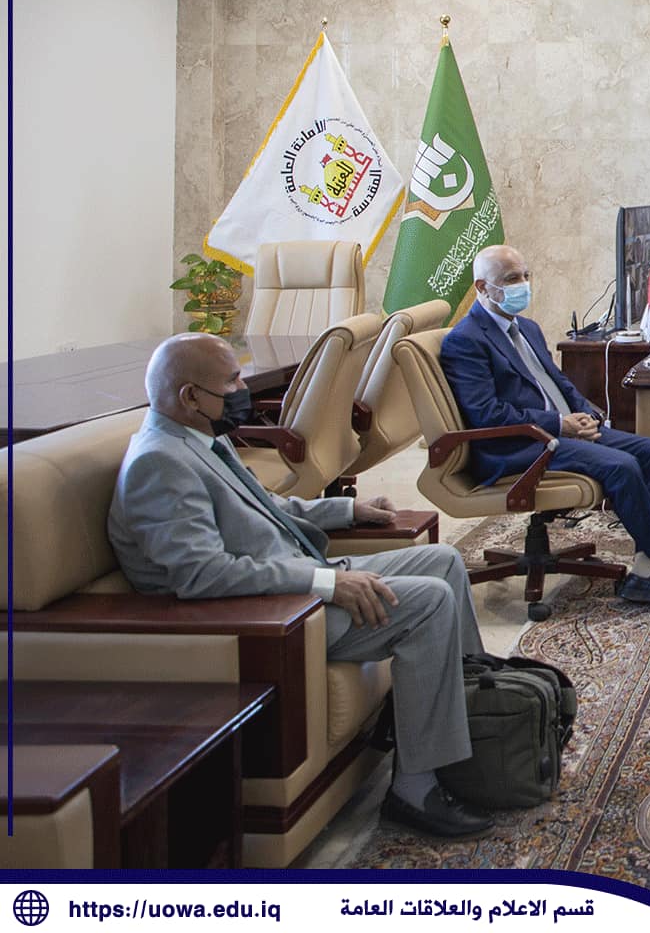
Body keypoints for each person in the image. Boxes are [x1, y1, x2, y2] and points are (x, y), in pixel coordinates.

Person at [108, 333, 493, 840]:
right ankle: (415, 789)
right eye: (232, 382)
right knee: (429, 602)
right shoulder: (158, 464)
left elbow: (266, 507)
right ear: (191, 396)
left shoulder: (199, 438)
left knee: (442, 562)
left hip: (293, 579)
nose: (243, 390)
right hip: (274, 614)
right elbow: (203, 574)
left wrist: (347, 509)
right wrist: (326, 582)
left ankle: (479, 721)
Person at [440, 244, 650, 608]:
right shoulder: (466, 340)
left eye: (525, 275)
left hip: (560, 433)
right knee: (622, 466)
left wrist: (585, 415)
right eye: (511, 279)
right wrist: (560, 424)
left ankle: (645, 568)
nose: (523, 285)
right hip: (520, 445)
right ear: (482, 287)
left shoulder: (526, 327)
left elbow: (558, 381)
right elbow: (488, 414)